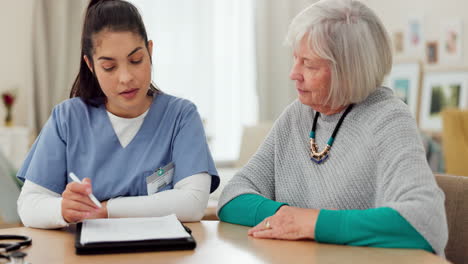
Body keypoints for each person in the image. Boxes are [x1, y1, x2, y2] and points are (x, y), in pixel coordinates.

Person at [217, 0, 448, 256]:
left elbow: (424, 223)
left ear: (348, 71)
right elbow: (232, 197)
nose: (294, 73)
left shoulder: (388, 119)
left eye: (309, 64)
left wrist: (313, 223)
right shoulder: (298, 114)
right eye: (295, 58)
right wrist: (287, 217)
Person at [16, 0, 219, 229]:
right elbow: (29, 205)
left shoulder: (181, 116)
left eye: (136, 60)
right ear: (90, 65)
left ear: (150, 51)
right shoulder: (68, 118)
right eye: (109, 67)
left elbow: (193, 203)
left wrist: (105, 210)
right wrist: (63, 209)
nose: (126, 77)